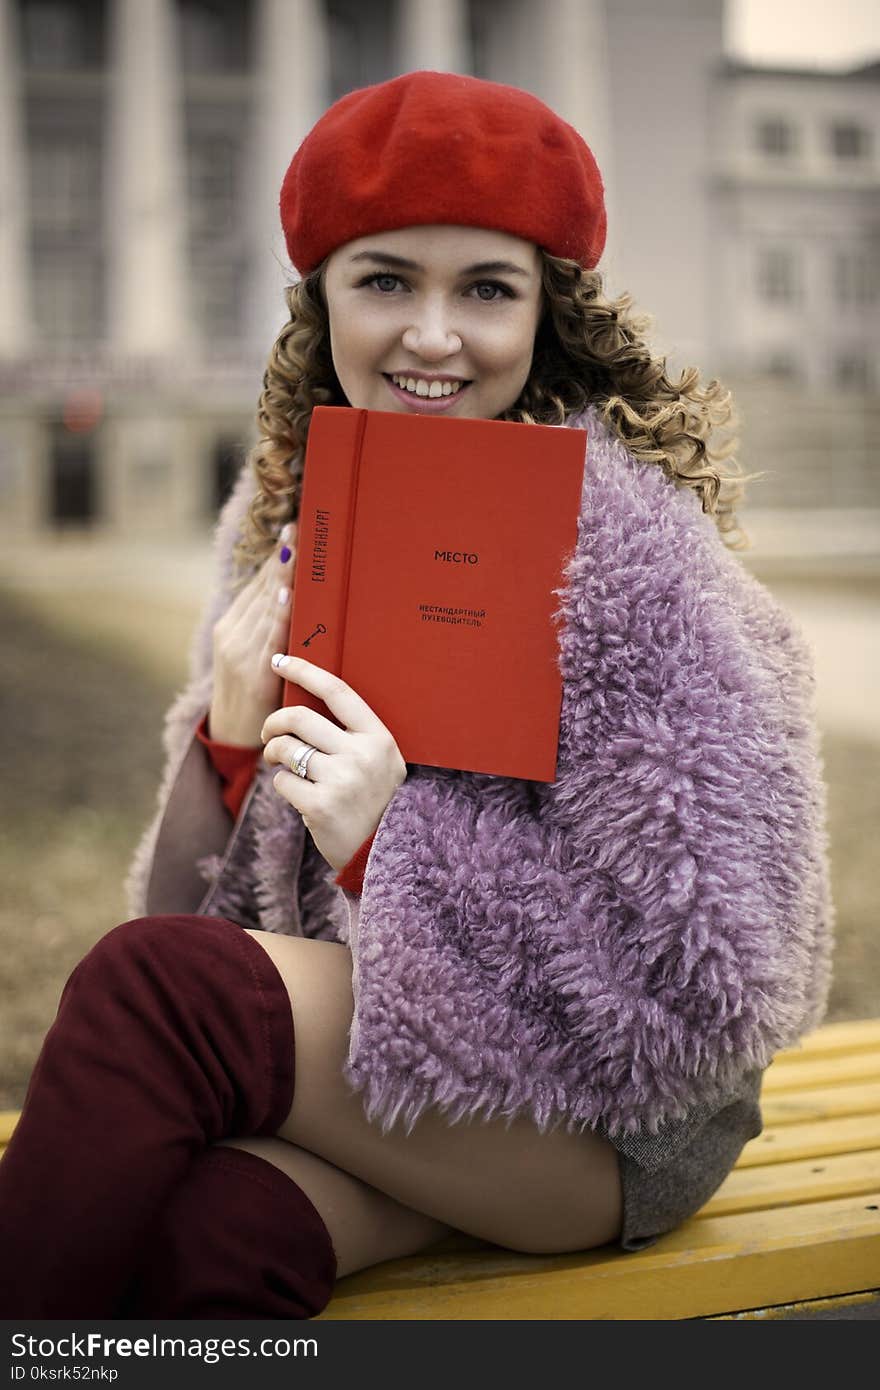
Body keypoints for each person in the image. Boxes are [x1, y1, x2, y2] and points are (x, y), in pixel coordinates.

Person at [0, 70, 834, 1320]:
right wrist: (229, 752)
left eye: (484, 289)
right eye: (385, 279)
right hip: (392, 1075)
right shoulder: (291, 521)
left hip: (603, 1123)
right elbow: (219, 915)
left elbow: (715, 993)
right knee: (211, 1242)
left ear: (546, 312)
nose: (432, 336)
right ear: (320, 298)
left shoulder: (644, 571)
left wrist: (392, 847)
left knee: (161, 987)